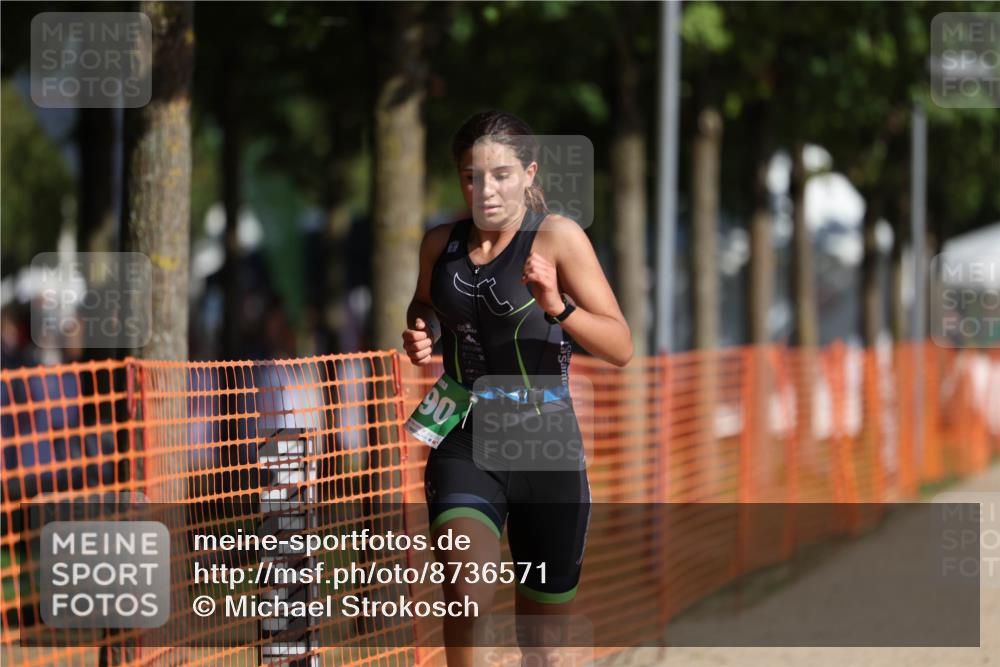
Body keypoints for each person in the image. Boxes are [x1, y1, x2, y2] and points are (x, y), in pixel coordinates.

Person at [402, 110, 632, 667]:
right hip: (463, 433)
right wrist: (422, 330)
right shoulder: (439, 245)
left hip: (546, 447)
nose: (486, 190)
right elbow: (424, 303)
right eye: (472, 177)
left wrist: (559, 307)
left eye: (501, 175)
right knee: (466, 593)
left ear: (529, 173)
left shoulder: (557, 237)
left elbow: (620, 345)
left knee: (543, 648)